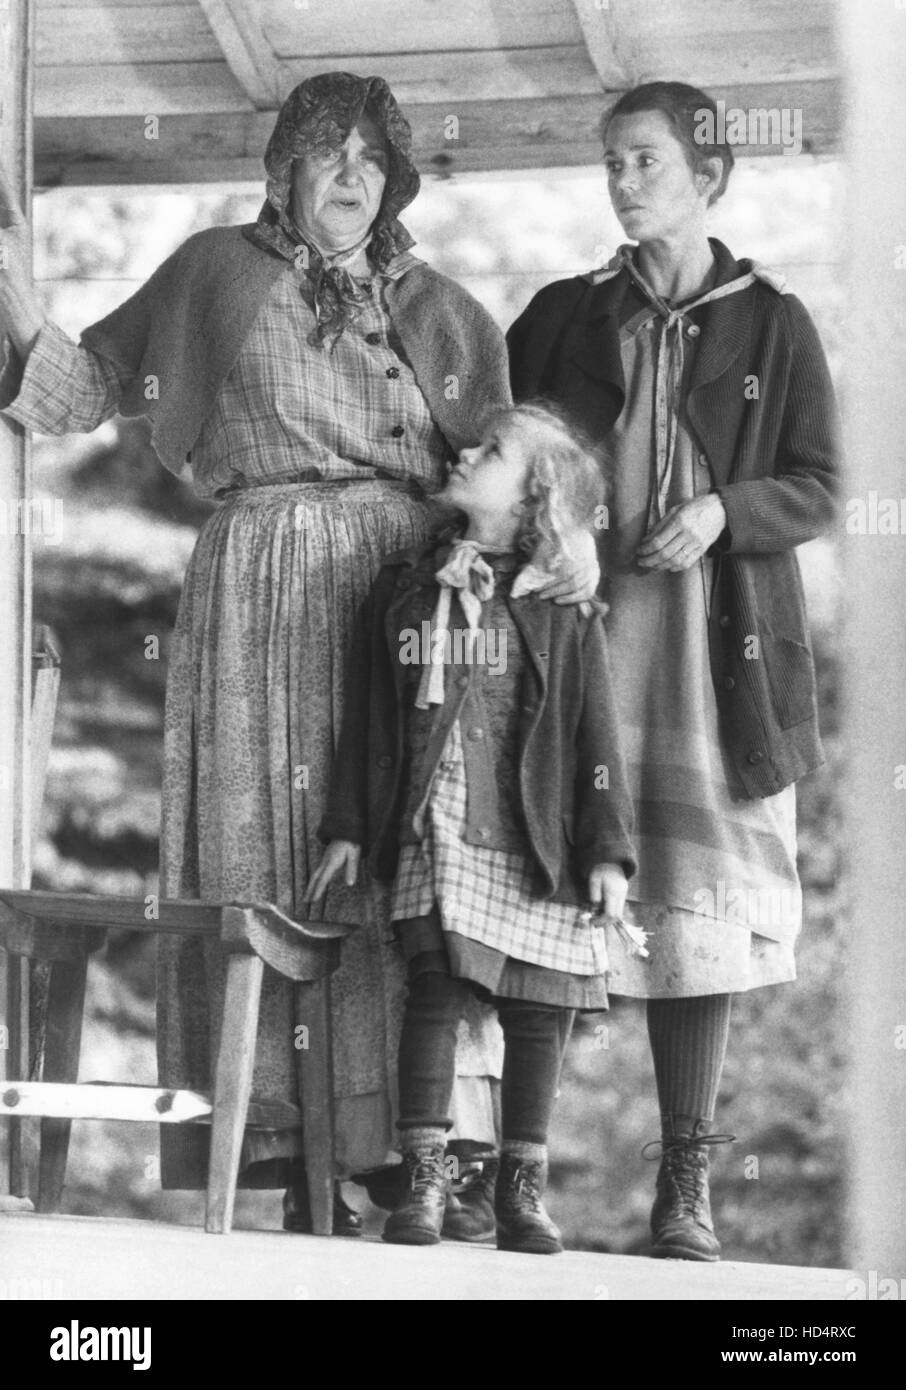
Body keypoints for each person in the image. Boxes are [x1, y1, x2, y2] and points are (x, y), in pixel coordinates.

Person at [0, 72, 598, 1235]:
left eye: (373, 160)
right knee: (262, 858)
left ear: (399, 179)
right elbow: (80, 392)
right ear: (282, 166)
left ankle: (410, 1155)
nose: (350, 179)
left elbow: (522, 472)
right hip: (256, 594)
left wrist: (567, 547)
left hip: (409, 609)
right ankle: (282, 1143)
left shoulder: (447, 312)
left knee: (405, 857)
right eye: (327, 155)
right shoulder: (212, 273)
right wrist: (13, 286)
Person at [506, 81, 838, 1261]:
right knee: (548, 883)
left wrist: (721, 510)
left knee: (696, 903)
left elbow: (823, 481)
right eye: (611, 162)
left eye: (643, 160)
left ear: (711, 176)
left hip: (716, 651)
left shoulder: (775, 323)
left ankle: (685, 1190)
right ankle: (517, 1185)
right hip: (583, 640)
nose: (622, 180)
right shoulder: (559, 316)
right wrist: (563, 523)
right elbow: (504, 463)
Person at [307, 402, 637, 1253]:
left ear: (534, 498)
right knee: (435, 989)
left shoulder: (563, 608)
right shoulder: (409, 589)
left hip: (537, 834)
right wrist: (348, 825)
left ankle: (522, 1190)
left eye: (492, 452)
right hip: (438, 820)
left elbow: (596, 734)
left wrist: (607, 851)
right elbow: (370, 716)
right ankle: (423, 1176)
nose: (467, 452)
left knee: (538, 1010)